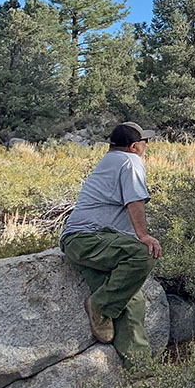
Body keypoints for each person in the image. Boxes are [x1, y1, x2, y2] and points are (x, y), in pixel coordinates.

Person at [60, 122, 162, 368]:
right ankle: (99, 305)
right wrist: (143, 236)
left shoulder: (111, 160)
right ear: (134, 146)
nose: (147, 146)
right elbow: (135, 201)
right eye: (145, 142)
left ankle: (139, 371)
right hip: (88, 240)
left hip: (82, 243)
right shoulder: (131, 161)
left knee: (130, 301)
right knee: (143, 254)